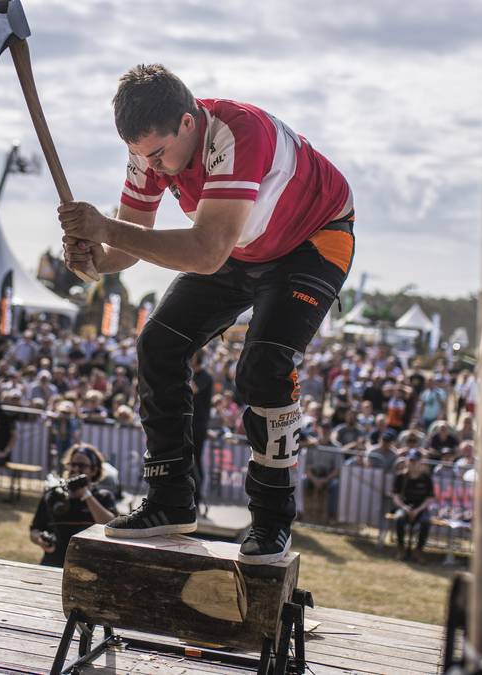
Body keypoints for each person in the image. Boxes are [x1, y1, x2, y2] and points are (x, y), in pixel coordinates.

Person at [58, 64, 354, 563]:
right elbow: (128, 242)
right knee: (158, 344)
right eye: (139, 155)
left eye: (158, 154)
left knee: (264, 369)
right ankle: (169, 498)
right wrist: (94, 256)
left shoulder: (238, 132)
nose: (153, 166)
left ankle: (272, 519)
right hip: (237, 245)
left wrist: (105, 229)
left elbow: (206, 252)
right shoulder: (148, 151)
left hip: (311, 240)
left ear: (189, 122)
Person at [29, 444, 118, 567]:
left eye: (82, 465)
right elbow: (34, 530)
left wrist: (86, 495)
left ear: (94, 470)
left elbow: (110, 526)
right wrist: (40, 540)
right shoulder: (53, 495)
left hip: (89, 566)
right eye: (72, 464)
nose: (75, 469)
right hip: (53, 564)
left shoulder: (103, 497)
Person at [392, 449, 435, 562]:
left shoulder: (426, 478)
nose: (413, 463)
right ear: (406, 461)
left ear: (421, 462)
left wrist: (418, 510)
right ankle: (401, 549)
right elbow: (396, 496)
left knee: (426, 521)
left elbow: (430, 498)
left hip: (421, 509)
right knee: (399, 518)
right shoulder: (400, 477)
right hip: (405, 508)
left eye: (415, 461)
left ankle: (418, 551)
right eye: (410, 460)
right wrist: (404, 508)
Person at [189, 349, 213, 510]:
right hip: (188, 423)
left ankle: (196, 499)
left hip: (198, 425)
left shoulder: (204, 376)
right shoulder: (193, 375)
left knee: (196, 462)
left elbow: (192, 389)